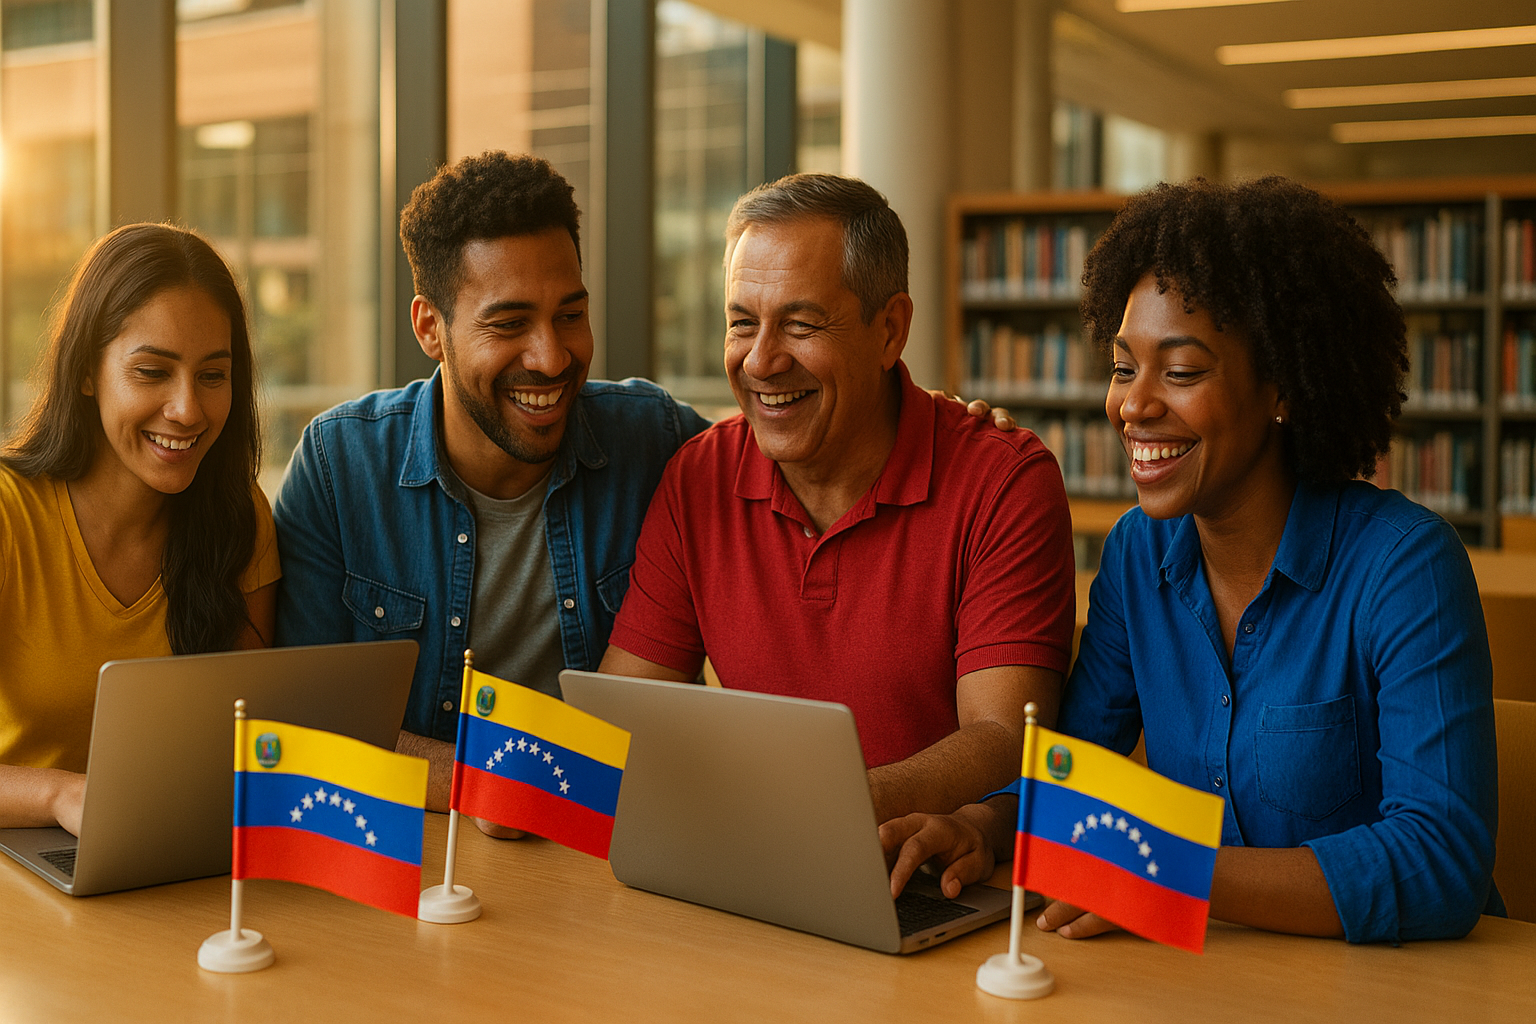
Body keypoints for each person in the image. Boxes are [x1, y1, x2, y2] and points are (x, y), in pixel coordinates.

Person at [275, 154, 1012, 822]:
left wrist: (917, 409)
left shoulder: (660, 444)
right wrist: (497, 782)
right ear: (429, 329)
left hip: (592, 843)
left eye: (571, 314)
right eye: (509, 324)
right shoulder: (341, 468)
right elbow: (307, 716)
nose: (552, 354)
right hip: (411, 835)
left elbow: (796, 420)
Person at [881, 176, 1503, 944]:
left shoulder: (1406, 568)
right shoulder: (1140, 555)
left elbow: (1441, 862)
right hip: (1208, 978)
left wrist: (1161, 871)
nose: (1134, 405)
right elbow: (1073, 766)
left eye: (1180, 372)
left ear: (1281, 387)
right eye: (1121, 367)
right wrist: (985, 827)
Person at [600, 174, 1076, 825]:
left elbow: (1003, 738)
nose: (762, 361)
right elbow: (623, 720)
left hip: (925, 874)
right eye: (742, 323)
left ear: (890, 330)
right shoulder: (697, 478)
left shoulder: (1003, 482)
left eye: (800, 324)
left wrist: (835, 809)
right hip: (752, 851)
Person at [0, 223, 281, 835]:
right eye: (151, 372)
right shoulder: (9, 515)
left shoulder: (238, 516)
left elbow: (247, 733)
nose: (187, 409)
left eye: (212, 375)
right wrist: (61, 796)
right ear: (85, 372)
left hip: (167, 856)